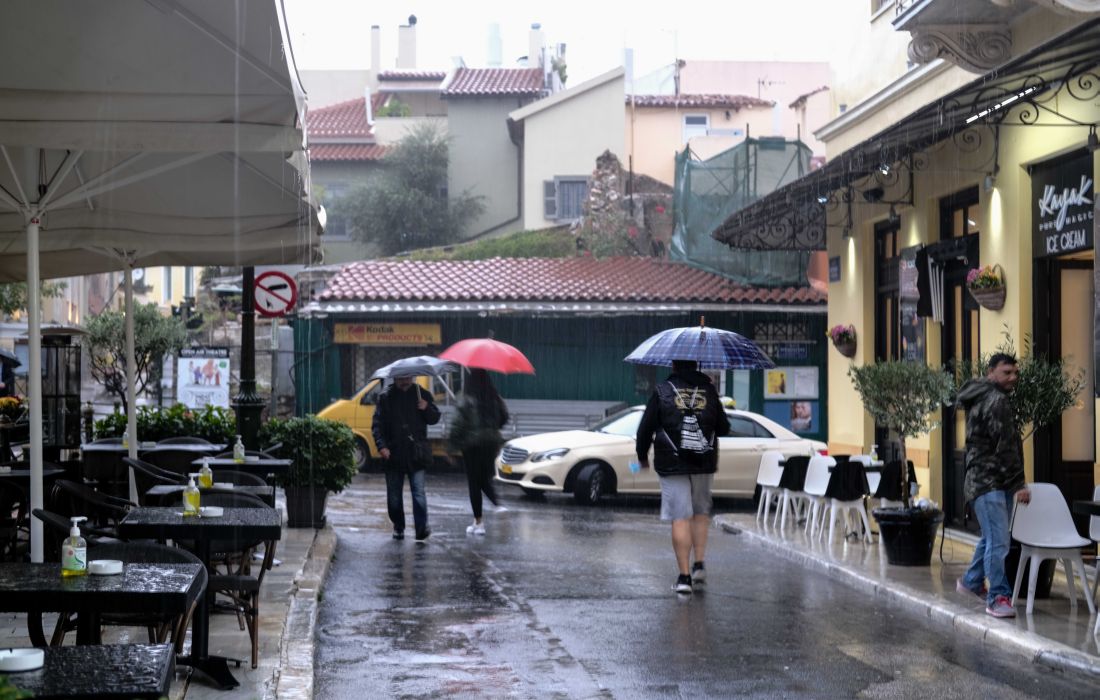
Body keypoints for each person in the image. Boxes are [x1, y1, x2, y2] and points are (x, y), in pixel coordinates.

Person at [636, 359, 730, 594]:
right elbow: (724, 427)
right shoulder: (709, 390)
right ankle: (699, 565)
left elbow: (645, 428)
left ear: (673, 366)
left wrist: (642, 456)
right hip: (703, 461)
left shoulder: (662, 390)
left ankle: (684, 578)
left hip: (672, 462)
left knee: (680, 516)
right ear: (696, 365)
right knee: (700, 513)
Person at [956, 353, 1029, 618]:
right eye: (1006, 372)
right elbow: (1006, 447)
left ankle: (971, 581)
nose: (1013, 377)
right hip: (989, 482)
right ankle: (997, 597)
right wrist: (1019, 484)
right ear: (990, 372)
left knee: (991, 538)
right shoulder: (996, 400)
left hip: (984, 481)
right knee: (999, 542)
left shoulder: (981, 397)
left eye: (1015, 373)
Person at [372, 375, 441, 542]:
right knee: (394, 497)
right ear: (395, 379)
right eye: (401, 378)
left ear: (413, 377)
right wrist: (382, 446)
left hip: (416, 454)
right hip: (393, 454)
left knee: (419, 493)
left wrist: (427, 408)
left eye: (408, 378)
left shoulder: (422, 394)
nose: (405, 381)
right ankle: (398, 526)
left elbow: (434, 419)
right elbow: (377, 425)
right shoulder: (385, 397)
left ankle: (421, 528)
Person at [448, 368, 510, 535]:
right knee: (484, 479)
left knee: (474, 483)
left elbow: (457, 424)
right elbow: (504, 417)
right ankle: (498, 505)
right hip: (491, 444)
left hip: (472, 445)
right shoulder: (494, 397)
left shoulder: (465, 397)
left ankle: (479, 523)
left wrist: (451, 448)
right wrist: (491, 428)